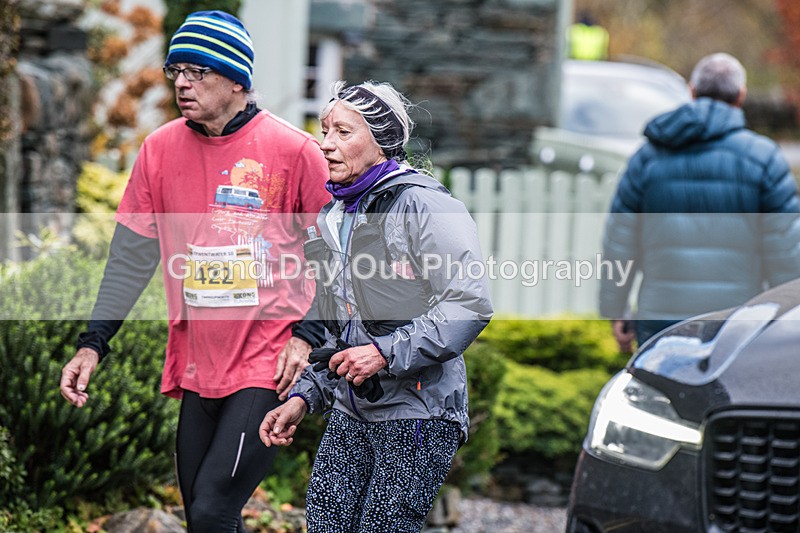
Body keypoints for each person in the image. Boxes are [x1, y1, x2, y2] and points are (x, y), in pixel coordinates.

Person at [59, 10, 330, 532]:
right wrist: (93, 343)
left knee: (212, 511)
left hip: (266, 359)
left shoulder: (295, 152)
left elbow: (337, 262)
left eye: (198, 71)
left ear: (236, 80)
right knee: (203, 518)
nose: (182, 82)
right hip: (198, 362)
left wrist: (308, 337)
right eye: (175, 70)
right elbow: (130, 258)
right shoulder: (159, 150)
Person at [259, 80, 493, 532]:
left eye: (343, 132)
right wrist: (305, 397)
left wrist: (385, 352)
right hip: (352, 409)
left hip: (419, 413)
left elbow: (468, 303)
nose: (325, 144)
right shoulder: (335, 216)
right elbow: (337, 325)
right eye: (325, 130)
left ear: (382, 141)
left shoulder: (424, 205)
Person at [600, 52, 800, 352]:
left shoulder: (647, 158)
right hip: (737, 323)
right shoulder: (765, 158)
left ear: (691, 90)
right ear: (741, 96)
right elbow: (786, 250)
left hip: (659, 321)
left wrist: (616, 308)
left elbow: (620, 239)